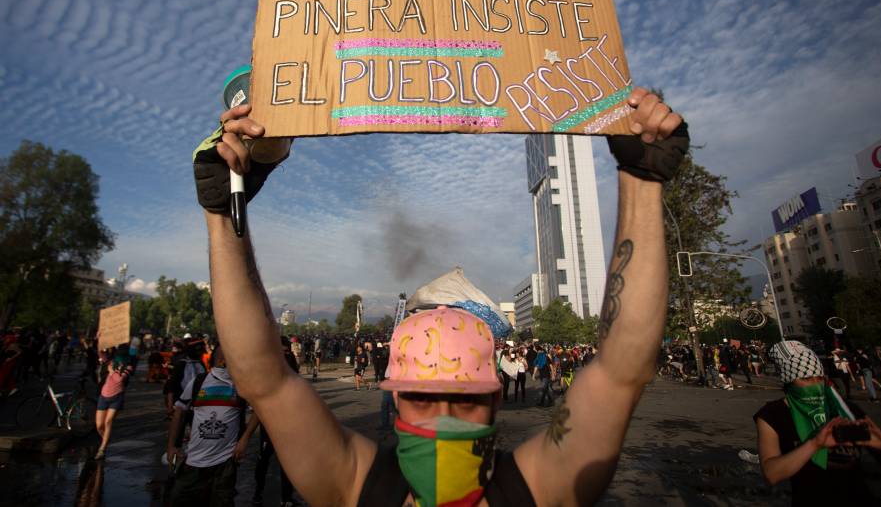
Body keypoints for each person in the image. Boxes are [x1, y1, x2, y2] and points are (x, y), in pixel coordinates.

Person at [196, 87, 688, 505]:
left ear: (496, 400)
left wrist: (642, 182)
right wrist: (224, 215)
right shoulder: (356, 482)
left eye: (464, 400)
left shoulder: (536, 486)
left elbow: (621, 372)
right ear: (395, 398)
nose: (444, 421)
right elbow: (263, 380)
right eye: (421, 397)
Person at [754, 341, 881, 504]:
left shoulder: (845, 410)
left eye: (820, 378)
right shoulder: (773, 415)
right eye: (806, 379)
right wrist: (814, 444)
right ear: (788, 380)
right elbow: (772, 474)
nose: (816, 385)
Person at [167, 344, 259, 507]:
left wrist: (244, 440)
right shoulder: (199, 382)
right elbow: (179, 412)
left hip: (224, 465)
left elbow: (259, 411)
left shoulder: (242, 386)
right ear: (223, 361)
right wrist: (172, 446)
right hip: (193, 462)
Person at [253, 337, 299, 506]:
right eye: (281, 351)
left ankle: (286, 497)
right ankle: (258, 492)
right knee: (263, 461)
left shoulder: (293, 371)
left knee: (289, 464)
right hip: (269, 425)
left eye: (287, 351)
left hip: (289, 426)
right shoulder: (266, 371)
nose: (284, 355)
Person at [95, 344, 134, 460]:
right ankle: (106, 439)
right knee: (99, 426)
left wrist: (111, 371)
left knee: (108, 422)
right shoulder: (111, 361)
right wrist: (101, 341)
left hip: (116, 397)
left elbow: (119, 379)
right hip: (104, 395)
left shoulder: (129, 366)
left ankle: (102, 449)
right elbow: (100, 353)